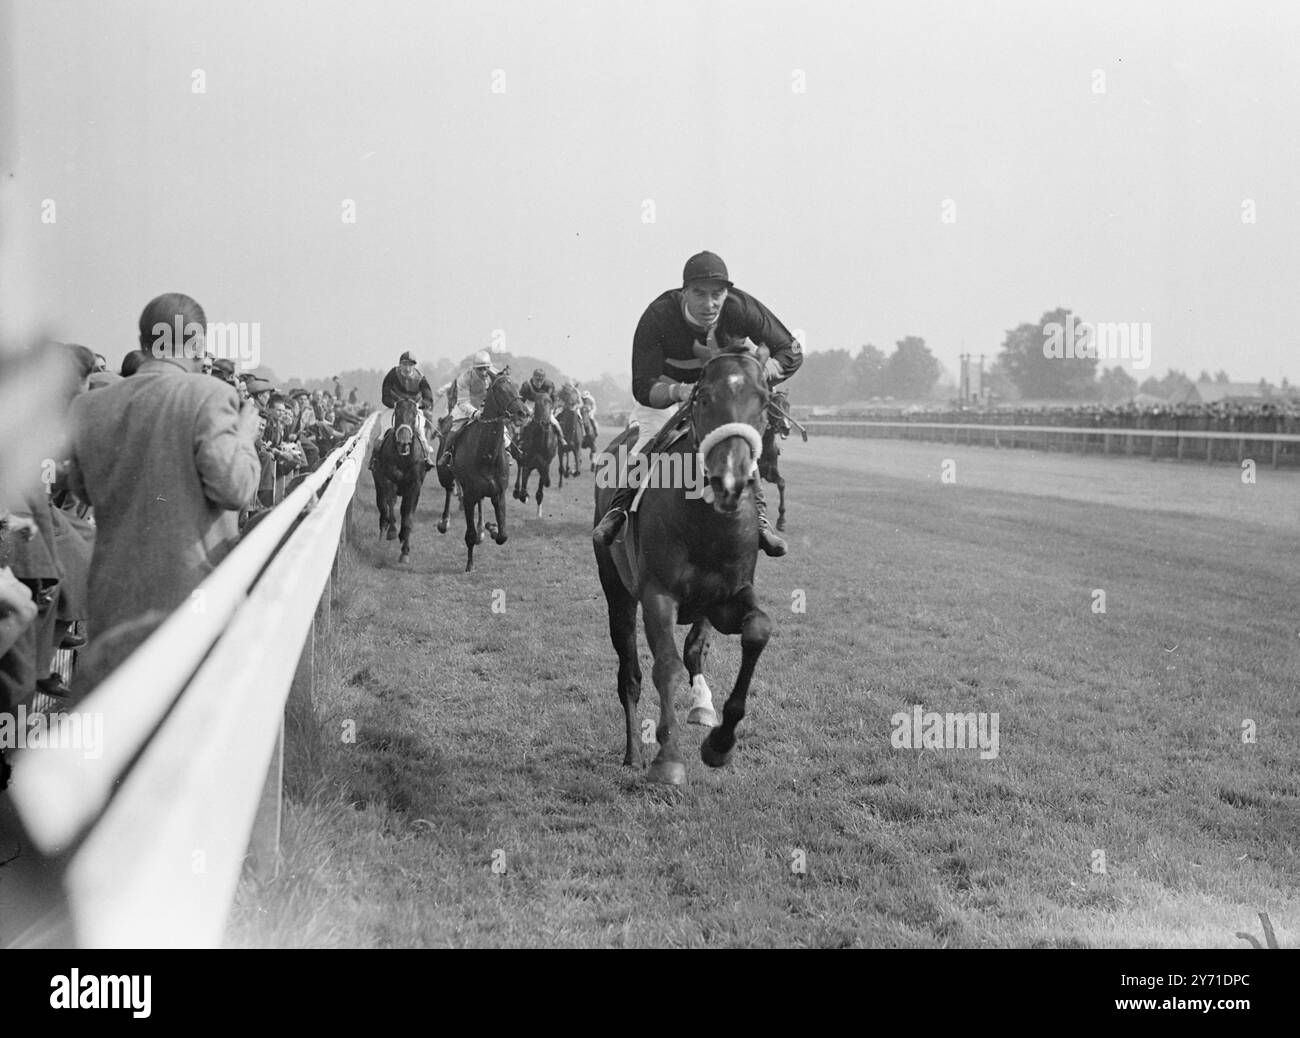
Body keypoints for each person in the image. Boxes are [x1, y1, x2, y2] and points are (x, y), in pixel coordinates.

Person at [64, 293, 262, 643]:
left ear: (145, 342)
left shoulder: (88, 406)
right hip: (192, 600)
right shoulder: (211, 395)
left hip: (112, 602)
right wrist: (244, 438)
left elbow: (82, 489)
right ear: (197, 342)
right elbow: (235, 489)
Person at [592, 251, 801, 556]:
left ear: (727, 293)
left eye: (717, 294)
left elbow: (791, 350)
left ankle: (759, 516)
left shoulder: (741, 308)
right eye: (699, 294)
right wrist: (679, 392)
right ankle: (619, 509)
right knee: (649, 439)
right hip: (671, 393)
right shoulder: (659, 315)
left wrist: (770, 369)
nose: (709, 304)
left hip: (718, 395)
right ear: (684, 292)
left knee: (740, 440)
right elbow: (642, 386)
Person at [438, 350, 509, 466]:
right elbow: (463, 402)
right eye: (480, 369)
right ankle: (446, 453)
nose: (483, 372)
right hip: (466, 407)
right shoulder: (464, 378)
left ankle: (507, 452)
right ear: (474, 368)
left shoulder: (495, 374)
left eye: (486, 368)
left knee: (504, 432)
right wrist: (475, 413)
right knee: (455, 429)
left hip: (486, 407)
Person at [379, 351, 436, 463]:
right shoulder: (392, 374)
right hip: (395, 408)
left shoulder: (420, 377)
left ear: (414, 366)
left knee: (421, 432)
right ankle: (376, 459)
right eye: (404, 364)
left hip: (413, 410)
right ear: (400, 365)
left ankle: (426, 458)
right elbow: (385, 396)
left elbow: (428, 398)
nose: (407, 368)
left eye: (410, 365)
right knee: (384, 432)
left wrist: (419, 405)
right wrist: (394, 404)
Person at [519, 368, 567, 444]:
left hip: (544, 405)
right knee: (526, 421)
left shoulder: (549, 385)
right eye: (537, 380)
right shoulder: (527, 385)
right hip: (531, 403)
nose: (539, 382)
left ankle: (561, 438)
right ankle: (520, 439)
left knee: (553, 421)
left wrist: (551, 409)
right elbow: (521, 400)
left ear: (544, 379)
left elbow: (554, 399)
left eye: (541, 380)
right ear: (533, 378)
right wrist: (524, 410)